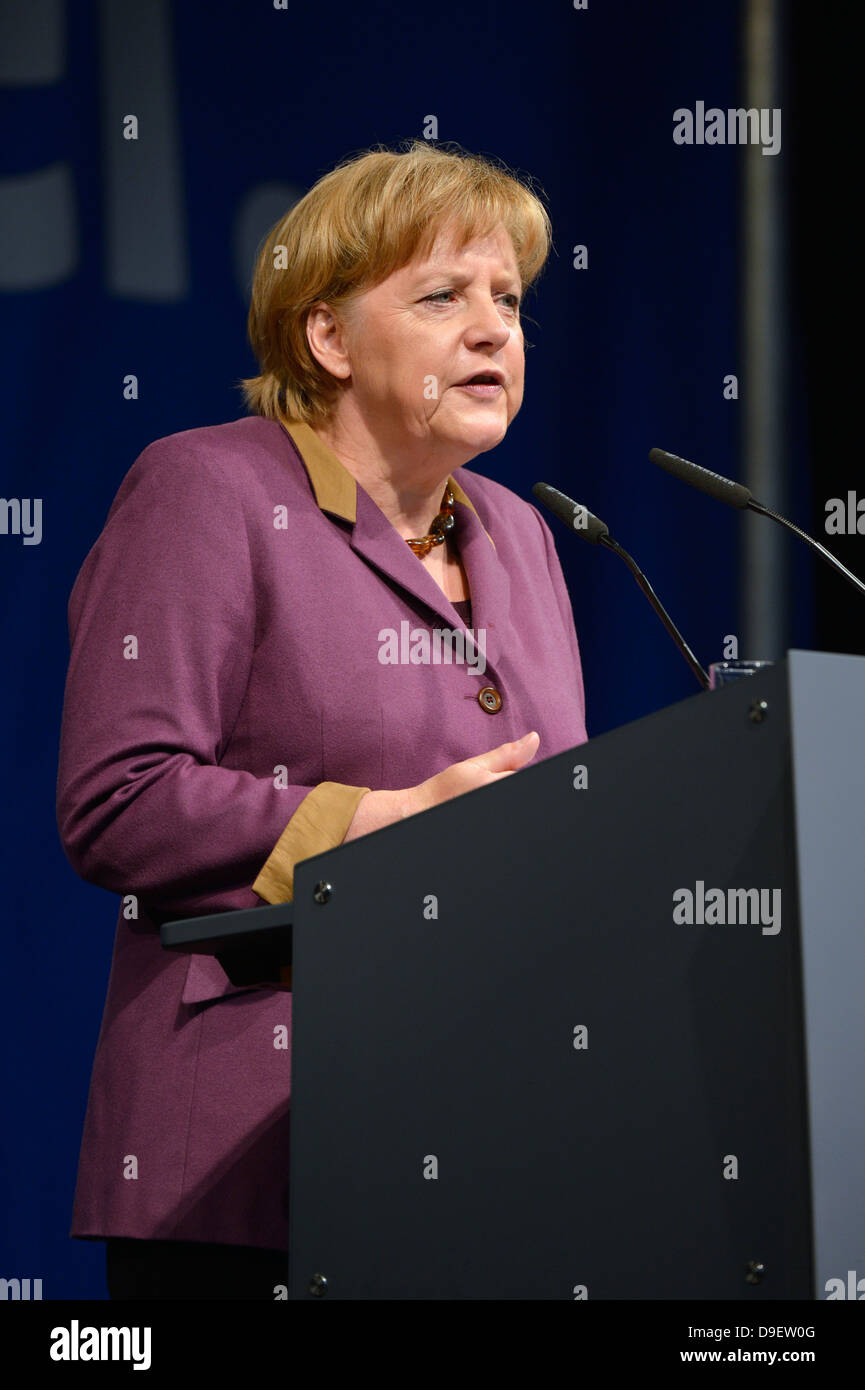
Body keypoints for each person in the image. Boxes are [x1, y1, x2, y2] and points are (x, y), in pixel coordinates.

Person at [56, 139, 588, 1300]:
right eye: (443, 295)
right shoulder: (211, 489)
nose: (495, 328)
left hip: (483, 1159)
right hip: (254, 1168)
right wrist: (376, 831)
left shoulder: (529, 537)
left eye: (508, 298)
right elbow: (119, 799)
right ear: (329, 337)